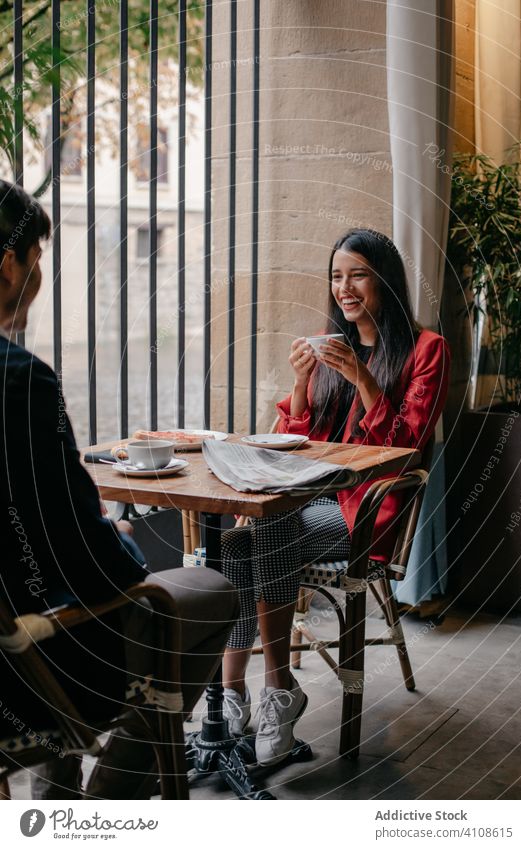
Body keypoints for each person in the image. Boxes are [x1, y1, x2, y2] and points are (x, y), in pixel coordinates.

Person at [0, 179, 239, 799]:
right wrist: (122, 542)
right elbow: (93, 563)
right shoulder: (21, 384)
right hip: (34, 669)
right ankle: (105, 805)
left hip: (22, 639)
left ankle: (56, 800)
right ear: (9, 265)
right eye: (39, 261)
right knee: (208, 593)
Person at [220, 228, 450, 766]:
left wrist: (364, 378)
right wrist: (301, 383)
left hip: (367, 511)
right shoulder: (330, 345)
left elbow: (407, 449)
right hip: (308, 499)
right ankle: (233, 693)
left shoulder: (426, 349)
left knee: (267, 528)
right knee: (236, 542)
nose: (344, 288)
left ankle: (277, 691)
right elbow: (295, 434)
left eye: (358, 275)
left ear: (385, 282)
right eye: (336, 277)